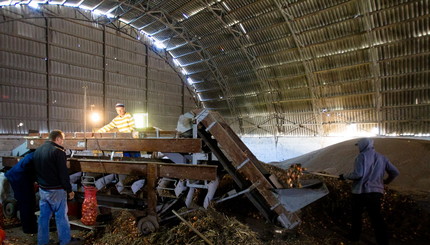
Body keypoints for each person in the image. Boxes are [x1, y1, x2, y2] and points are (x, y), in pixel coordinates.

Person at [339, 138, 400, 245]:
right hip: (376, 193)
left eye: (359, 145)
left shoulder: (361, 156)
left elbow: (358, 174)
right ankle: (383, 242)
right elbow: (395, 172)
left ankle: (354, 237)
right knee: (376, 218)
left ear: (363, 145)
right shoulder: (382, 158)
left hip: (360, 192)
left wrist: (344, 176)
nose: (358, 147)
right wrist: (386, 181)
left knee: (357, 215)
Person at [33, 130, 75, 245]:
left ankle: (42, 242)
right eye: (62, 140)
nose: (62, 142)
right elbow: (63, 174)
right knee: (61, 216)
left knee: (43, 217)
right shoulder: (58, 152)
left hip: (43, 189)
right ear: (57, 139)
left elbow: (34, 170)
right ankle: (65, 241)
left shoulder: (38, 151)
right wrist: (69, 190)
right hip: (57, 190)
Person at [5, 151, 38, 234]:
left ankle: (31, 225)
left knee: (29, 201)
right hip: (18, 178)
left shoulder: (35, 154)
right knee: (26, 202)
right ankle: (28, 228)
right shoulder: (38, 157)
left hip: (20, 177)